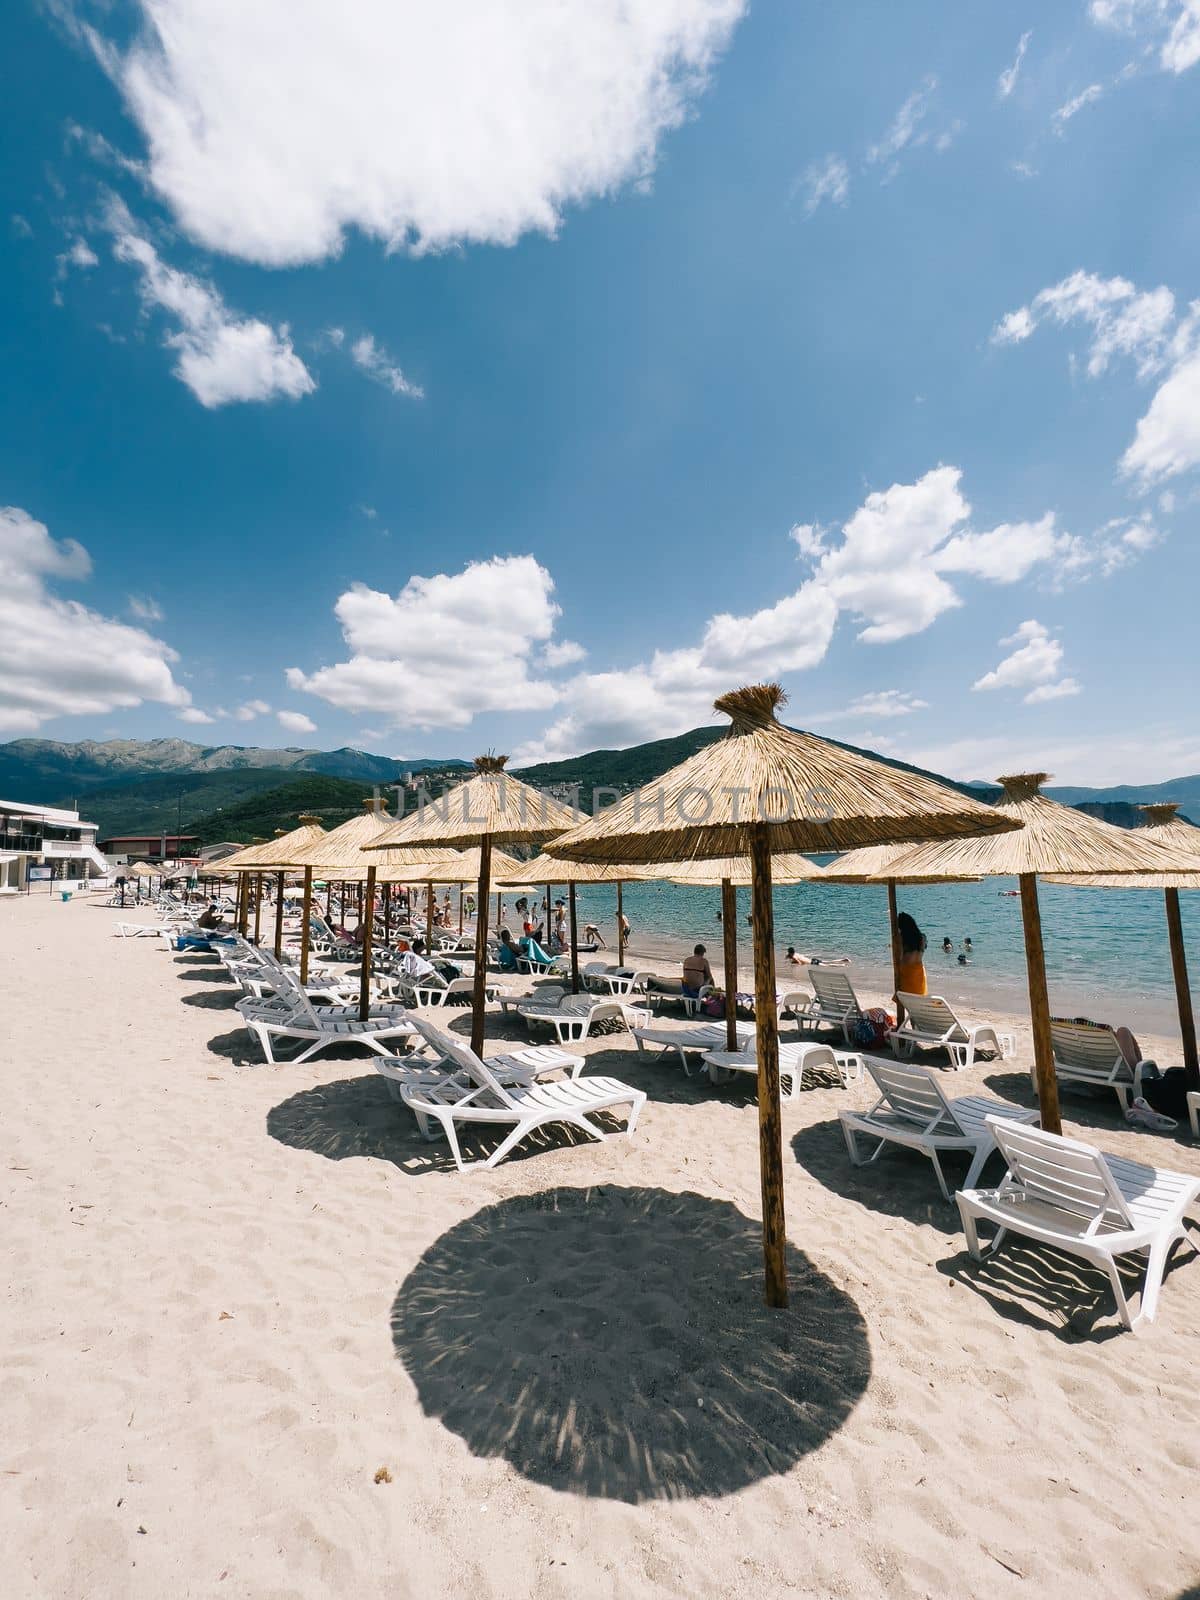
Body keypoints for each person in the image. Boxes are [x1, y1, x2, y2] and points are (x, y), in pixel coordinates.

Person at [895, 912, 927, 1022]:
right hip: (919, 973)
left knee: (908, 1003)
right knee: (916, 1007)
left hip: (906, 974)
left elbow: (899, 957)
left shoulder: (901, 939)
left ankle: (907, 1029)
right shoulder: (922, 938)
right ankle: (915, 1027)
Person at [785, 945, 851, 967]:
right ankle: (844, 960)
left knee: (827, 966)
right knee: (828, 961)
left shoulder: (794, 957)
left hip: (813, 963)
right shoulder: (796, 954)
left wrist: (792, 963)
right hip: (813, 959)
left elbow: (800, 963)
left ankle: (842, 965)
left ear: (789, 952)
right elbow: (802, 956)